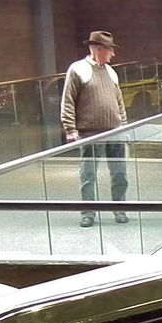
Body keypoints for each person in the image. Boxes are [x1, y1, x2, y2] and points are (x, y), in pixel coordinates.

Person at [61, 30, 130, 226]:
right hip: (90, 132)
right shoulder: (78, 69)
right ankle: (88, 213)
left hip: (115, 131)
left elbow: (119, 102)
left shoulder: (111, 72)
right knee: (88, 174)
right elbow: (68, 100)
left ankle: (121, 209)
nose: (113, 54)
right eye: (110, 50)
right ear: (99, 49)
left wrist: (123, 125)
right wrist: (70, 129)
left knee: (119, 173)